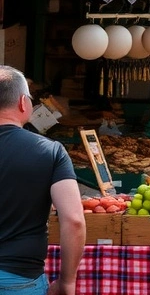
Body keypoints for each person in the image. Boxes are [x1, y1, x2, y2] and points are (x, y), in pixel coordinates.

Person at [0, 66, 83, 295]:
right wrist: (67, 282)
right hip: (19, 279)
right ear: (22, 103)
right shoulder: (50, 151)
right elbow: (74, 220)